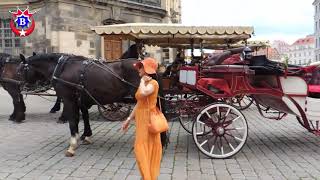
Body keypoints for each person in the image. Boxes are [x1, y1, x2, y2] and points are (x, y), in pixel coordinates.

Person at [122, 57, 163, 180]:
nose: (138, 69)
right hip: (141, 119)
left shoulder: (153, 83)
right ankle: (146, 175)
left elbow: (144, 93)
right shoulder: (145, 83)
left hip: (148, 120)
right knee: (143, 149)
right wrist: (129, 119)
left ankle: (147, 176)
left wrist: (141, 82)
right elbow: (139, 103)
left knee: (141, 149)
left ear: (146, 69)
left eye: (140, 67)